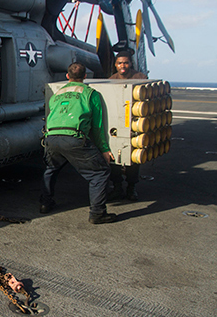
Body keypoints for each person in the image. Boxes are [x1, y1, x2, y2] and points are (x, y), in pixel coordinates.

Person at [40, 62, 116, 224]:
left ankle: (45, 204)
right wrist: (104, 149)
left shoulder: (57, 94)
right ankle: (97, 213)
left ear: (67, 76)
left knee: (51, 169)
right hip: (73, 137)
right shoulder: (90, 93)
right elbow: (97, 126)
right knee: (99, 173)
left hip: (51, 138)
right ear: (85, 76)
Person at [108, 52, 148, 201]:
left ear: (130, 63)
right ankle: (117, 187)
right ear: (115, 65)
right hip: (116, 124)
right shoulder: (111, 80)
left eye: (125, 63)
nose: (122, 66)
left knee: (132, 159)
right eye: (119, 63)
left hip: (134, 124)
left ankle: (131, 188)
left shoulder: (140, 78)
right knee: (114, 158)